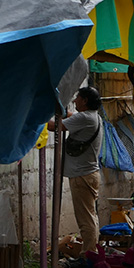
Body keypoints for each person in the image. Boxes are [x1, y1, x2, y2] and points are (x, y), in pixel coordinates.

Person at [50, 86, 103, 253]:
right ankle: (91, 252)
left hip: (82, 176)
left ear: (85, 101)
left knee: (85, 220)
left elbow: (54, 126)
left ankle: (89, 255)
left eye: (77, 98)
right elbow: (71, 116)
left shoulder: (86, 118)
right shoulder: (93, 117)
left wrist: (33, 116)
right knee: (90, 217)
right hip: (88, 175)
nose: (74, 101)